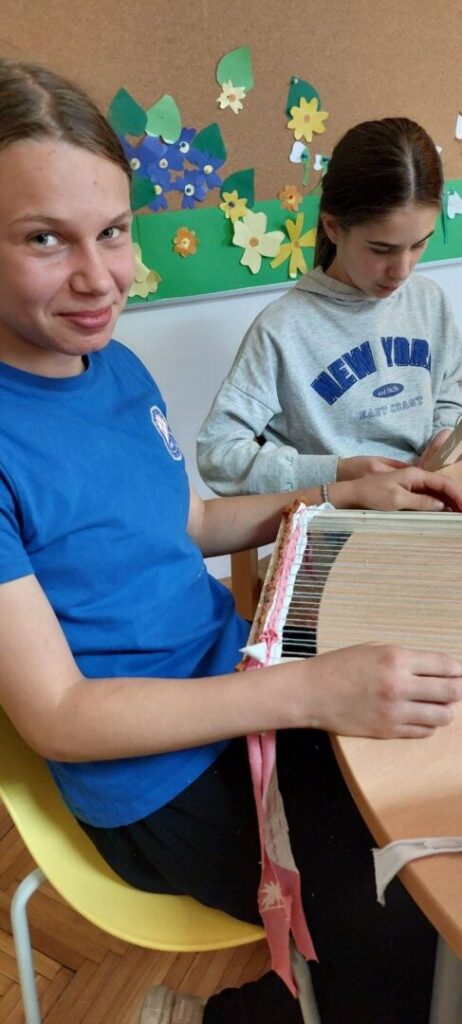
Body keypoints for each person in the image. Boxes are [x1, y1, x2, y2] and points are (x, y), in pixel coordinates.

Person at [0, 60, 462, 1024]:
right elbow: (61, 716)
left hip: (234, 678)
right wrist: (311, 690)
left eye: (113, 231)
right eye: (46, 238)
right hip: (155, 776)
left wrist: (339, 489)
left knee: (421, 813)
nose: (100, 278)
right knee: (405, 921)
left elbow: (186, 524)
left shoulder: (110, 363)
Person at [197, 117, 462, 497]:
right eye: (381, 249)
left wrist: (445, 432)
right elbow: (218, 454)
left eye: (419, 244)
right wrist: (336, 473)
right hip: (337, 517)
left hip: (424, 506)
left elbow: (451, 389)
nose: (402, 270)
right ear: (333, 227)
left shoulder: (429, 302)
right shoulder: (282, 329)